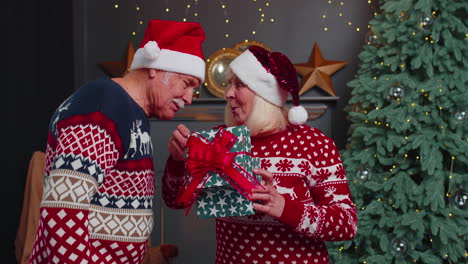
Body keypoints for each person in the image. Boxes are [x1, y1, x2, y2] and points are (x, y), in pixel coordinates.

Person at [29, 19, 206, 264]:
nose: (189, 98)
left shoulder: (132, 112)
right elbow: (63, 209)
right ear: (156, 68)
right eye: (187, 84)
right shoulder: (103, 105)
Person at [163, 46, 358, 264]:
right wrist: (177, 162)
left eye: (239, 84)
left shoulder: (313, 144)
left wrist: (284, 207)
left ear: (264, 94)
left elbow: (346, 224)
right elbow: (175, 200)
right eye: (229, 84)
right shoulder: (220, 140)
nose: (228, 93)